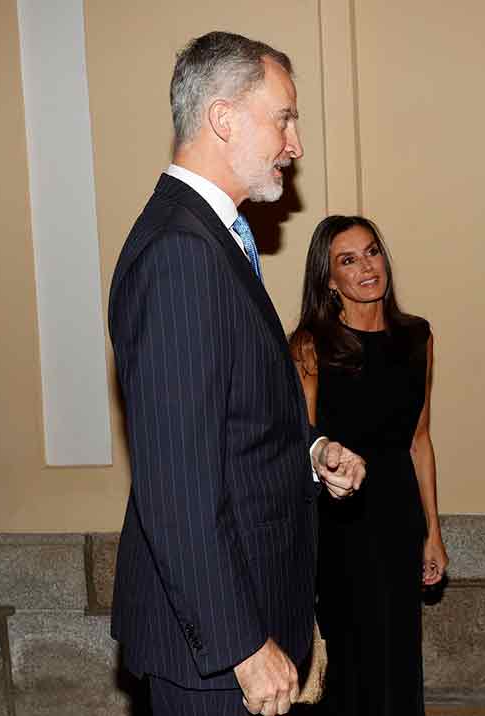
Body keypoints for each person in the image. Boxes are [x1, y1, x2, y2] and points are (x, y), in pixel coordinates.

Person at [108, 32, 366, 716]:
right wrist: (242, 646)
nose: (296, 143)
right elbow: (177, 483)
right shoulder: (180, 254)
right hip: (218, 653)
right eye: (283, 118)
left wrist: (309, 452)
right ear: (223, 119)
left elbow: (228, 421)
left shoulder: (212, 238)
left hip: (249, 612)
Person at [289, 215, 447, 716]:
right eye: (348, 259)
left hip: (398, 514)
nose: (366, 267)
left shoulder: (417, 337)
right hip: (338, 521)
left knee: (398, 653)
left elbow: (420, 441)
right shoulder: (311, 345)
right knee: (349, 657)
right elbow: (300, 445)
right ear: (328, 279)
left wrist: (433, 532)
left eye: (372, 251)